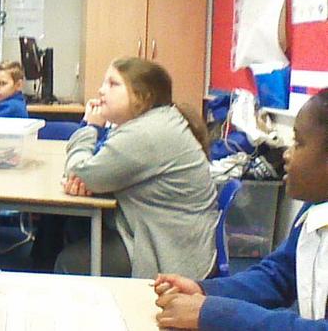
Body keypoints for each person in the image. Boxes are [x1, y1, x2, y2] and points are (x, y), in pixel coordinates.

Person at [153, 88, 328, 330]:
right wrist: (205, 291)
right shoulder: (317, 206)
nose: (287, 154)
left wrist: (215, 314)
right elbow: (278, 276)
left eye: (298, 143)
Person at [56, 57, 218, 278]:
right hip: (168, 236)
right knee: (75, 225)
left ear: (143, 97)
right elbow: (93, 171)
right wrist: (88, 176)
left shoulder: (145, 133)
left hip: (174, 255)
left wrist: (89, 127)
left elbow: (79, 173)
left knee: (70, 262)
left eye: (113, 84)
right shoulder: (153, 121)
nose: (101, 90)